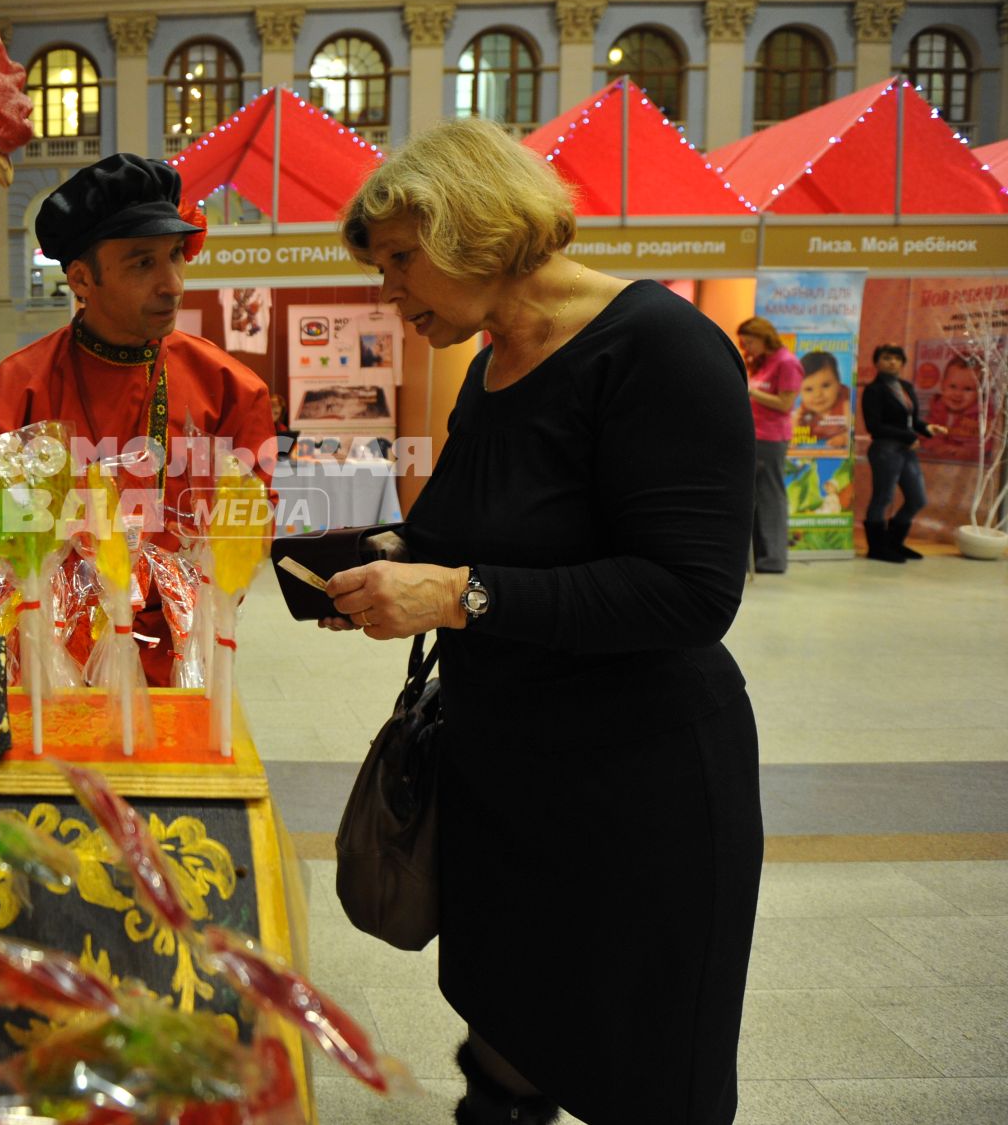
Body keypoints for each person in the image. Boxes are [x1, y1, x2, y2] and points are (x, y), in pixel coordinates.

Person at [323, 120, 761, 1125]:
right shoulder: (494, 363)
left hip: (638, 792)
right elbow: (452, 534)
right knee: (506, 1038)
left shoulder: (661, 346)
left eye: (400, 259)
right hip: (507, 781)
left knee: (645, 1069)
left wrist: (458, 594)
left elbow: (691, 592)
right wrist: (358, 564)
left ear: (475, 224)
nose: (389, 289)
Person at [0, 153, 274, 683]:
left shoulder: (227, 389)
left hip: (178, 661)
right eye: (142, 263)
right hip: (42, 663)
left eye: (176, 255)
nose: (172, 283)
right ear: (83, 279)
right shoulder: (15, 392)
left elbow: (251, 520)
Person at [861, 344, 946, 562]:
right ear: (877, 362)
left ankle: (894, 543)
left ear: (902, 362)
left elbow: (911, 420)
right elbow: (874, 426)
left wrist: (927, 428)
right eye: (886, 358)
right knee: (883, 498)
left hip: (906, 449)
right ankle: (877, 548)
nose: (892, 362)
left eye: (897, 358)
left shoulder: (905, 386)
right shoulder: (874, 390)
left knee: (917, 499)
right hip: (885, 449)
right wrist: (909, 437)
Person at [735, 316, 802, 573]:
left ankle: (774, 558)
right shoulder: (764, 362)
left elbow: (785, 404)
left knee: (771, 497)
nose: (747, 348)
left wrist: (751, 391)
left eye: (749, 342)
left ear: (763, 337)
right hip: (755, 436)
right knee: (754, 498)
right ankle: (760, 554)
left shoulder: (787, 363)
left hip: (772, 439)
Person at [926, 354, 982, 461]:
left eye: (967, 389)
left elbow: (987, 441)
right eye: (952, 386)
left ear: (980, 392)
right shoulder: (937, 409)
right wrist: (936, 446)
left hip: (967, 467)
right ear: (942, 385)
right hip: (939, 462)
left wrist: (968, 451)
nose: (958, 394)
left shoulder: (980, 414)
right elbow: (926, 434)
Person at [793, 350, 851, 449]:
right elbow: (794, 435)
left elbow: (851, 431)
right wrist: (795, 429)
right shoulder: (803, 411)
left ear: (838, 384)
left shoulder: (844, 404)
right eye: (808, 389)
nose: (817, 395)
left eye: (825, 385)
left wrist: (845, 437)